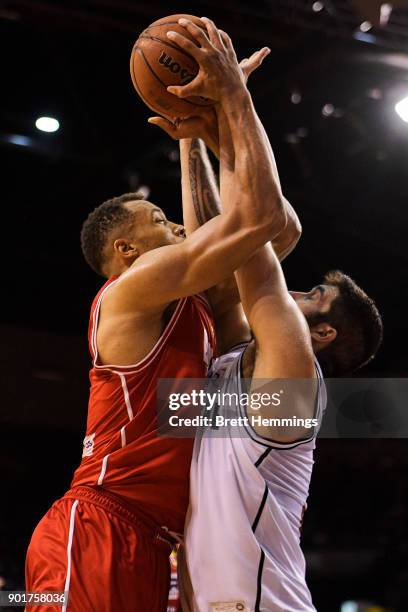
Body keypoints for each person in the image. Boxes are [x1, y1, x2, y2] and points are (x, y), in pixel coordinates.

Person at [24, 17, 292, 612]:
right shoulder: (128, 293)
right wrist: (231, 101)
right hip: (98, 523)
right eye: (161, 224)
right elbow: (255, 220)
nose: (179, 226)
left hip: (153, 541)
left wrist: (199, 133)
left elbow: (276, 229)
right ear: (129, 252)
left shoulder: (192, 305)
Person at [150, 17, 383, 611]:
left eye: (310, 297)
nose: (293, 291)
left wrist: (232, 100)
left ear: (323, 333)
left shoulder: (294, 379)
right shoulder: (243, 366)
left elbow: (254, 233)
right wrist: (192, 135)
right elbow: (219, 247)